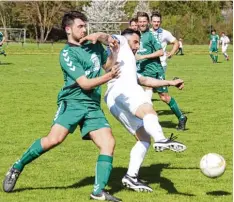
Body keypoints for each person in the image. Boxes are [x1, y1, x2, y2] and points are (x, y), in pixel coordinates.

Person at [2, 11, 122, 202]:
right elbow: (84, 83)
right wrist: (109, 77)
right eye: (80, 26)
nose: (84, 30)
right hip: (72, 102)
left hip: (92, 105)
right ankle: (17, 166)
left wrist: (113, 51)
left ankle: (98, 192)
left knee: (108, 143)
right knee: (54, 140)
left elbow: (107, 66)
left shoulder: (93, 46)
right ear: (68, 29)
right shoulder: (67, 53)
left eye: (85, 26)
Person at [102, 28, 186, 192]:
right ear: (125, 41)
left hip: (113, 100)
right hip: (123, 91)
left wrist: (170, 82)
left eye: (138, 43)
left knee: (144, 138)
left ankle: (131, 177)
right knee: (148, 110)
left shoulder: (128, 64)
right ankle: (161, 139)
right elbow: (105, 37)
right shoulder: (121, 43)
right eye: (135, 42)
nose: (137, 46)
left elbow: (145, 79)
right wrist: (96, 36)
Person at [136, 12, 187, 131]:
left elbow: (160, 52)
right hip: (142, 71)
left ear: (147, 22)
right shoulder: (137, 35)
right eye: (140, 21)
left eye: (144, 21)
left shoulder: (150, 35)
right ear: (137, 22)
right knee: (139, 94)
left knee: (164, 97)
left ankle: (181, 117)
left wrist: (143, 57)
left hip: (155, 70)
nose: (142, 23)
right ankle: (145, 121)